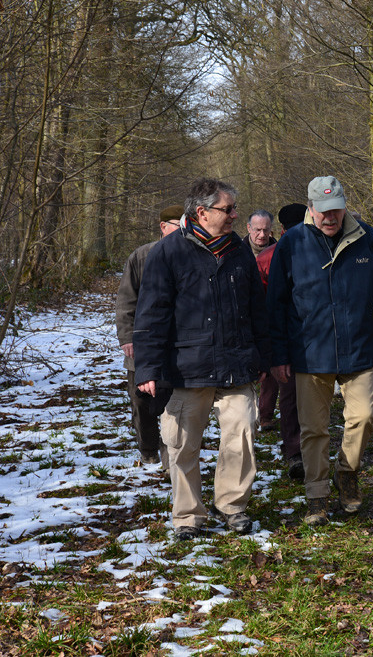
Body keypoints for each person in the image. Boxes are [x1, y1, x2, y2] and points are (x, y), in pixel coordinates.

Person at [266, 176, 373, 525]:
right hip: (309, 352)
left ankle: (347, 472)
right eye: (322, 211)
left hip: (358, 348)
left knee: (364, 417)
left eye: (335, 210)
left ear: (345, 206)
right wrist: (279, 355)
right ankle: (317, 495)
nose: (329, 218)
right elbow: (274, 304)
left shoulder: (366, 237)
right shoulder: (292, 243)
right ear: (309, 209)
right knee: (314, 429)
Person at [134, 179, 269, 542]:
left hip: (236, 365)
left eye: (234, 209)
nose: (235, 215)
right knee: (181, 444)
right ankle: (188, 516)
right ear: (202, 212)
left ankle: (232, 506)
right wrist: (148, 367)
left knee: (241, 435)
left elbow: (257, 308)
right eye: (228, 209)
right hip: (185, 368)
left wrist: (268, 355)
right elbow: (150, 314)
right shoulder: (169, 253)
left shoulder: (239, 252)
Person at [115, 204, 183, 466]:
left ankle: (171, 456)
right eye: (177, 225)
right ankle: (147, 448)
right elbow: (126, 300)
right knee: (141, 401)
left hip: (175, 344)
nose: (182, 231)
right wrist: (127, 337)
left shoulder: (188, 255)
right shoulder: (141, 257)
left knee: (173, 402)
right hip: (142, 343)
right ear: (163, 227)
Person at [255, 203, 308, 482]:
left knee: (297, 397)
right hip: (285, 336)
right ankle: (295, 451)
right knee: (289, 396)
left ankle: (300, 449)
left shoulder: (268, 256)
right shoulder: (268, 258)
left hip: (306, 336)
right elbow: (260, 300)